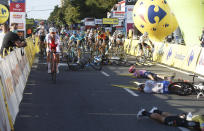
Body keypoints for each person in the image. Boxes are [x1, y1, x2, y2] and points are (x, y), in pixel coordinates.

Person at [137, 107, 204, 131]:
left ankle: (156, 111)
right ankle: (144, 112)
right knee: (163, 119)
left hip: (183, 118)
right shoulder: (201, 119)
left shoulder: (201, 118)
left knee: (169, 115)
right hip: (180, 121)